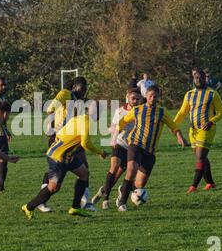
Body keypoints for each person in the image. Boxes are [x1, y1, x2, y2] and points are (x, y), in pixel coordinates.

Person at [21, 101, 108, 220]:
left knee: (84, 174)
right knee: (53, 188)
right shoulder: (88, 123)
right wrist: (101, 152)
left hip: (67, 156)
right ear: (99, 114)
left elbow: (60, 133)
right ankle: (29, 207)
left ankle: (75, 207)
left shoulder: (79, 118)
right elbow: (85, 143)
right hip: (59, 157)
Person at [115, 85, 186, 211]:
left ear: (158, 98)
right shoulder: (137, 110)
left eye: (155, 96)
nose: (152, 98)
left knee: (139, 184)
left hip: (150, 152)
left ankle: (123, 189)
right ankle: (122, 203)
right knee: (131, 169)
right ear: (146, 97)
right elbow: (122, 121)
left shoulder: (161, 112)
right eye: (150, 96)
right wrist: (115, 134)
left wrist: (179, 136)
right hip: (135, 145)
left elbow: (173, 125)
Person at [38, 77, 90, 213]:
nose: (84, 91)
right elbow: (50, 109)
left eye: (85, 88)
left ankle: (84, 202)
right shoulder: (65, 93)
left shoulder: (78, 100)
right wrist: (51, 130)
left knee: (84, 168)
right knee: (54, 171)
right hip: (60, 138)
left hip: (72, 138)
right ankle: (41, 201)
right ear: (75, 86)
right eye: (82, 88)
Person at [174, 70, 222, 194]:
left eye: (201, 78)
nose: (198, 80)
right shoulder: (189, 94)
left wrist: (211, 121)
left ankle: (193, 186)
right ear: (193, 79)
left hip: (206, 130)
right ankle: (210, 183)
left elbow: (221, 112)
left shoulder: (212, 94)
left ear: (205, 79)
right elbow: (182, 113)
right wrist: (173, 125)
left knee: (200, 157)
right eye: (196, 78)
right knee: (202, 157)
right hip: (193, 131)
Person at [90, 88, 140, 209]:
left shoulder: (141, 112)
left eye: (138, 99)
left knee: (116, 177)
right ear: (127, 97)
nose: (135, 101)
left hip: (132, 148)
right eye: (133, 98)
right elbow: (112, 126)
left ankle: (103, 190)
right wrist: (113, 133)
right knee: (114, 166)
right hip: (118, 143)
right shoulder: (119, 111)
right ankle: (106, 199)